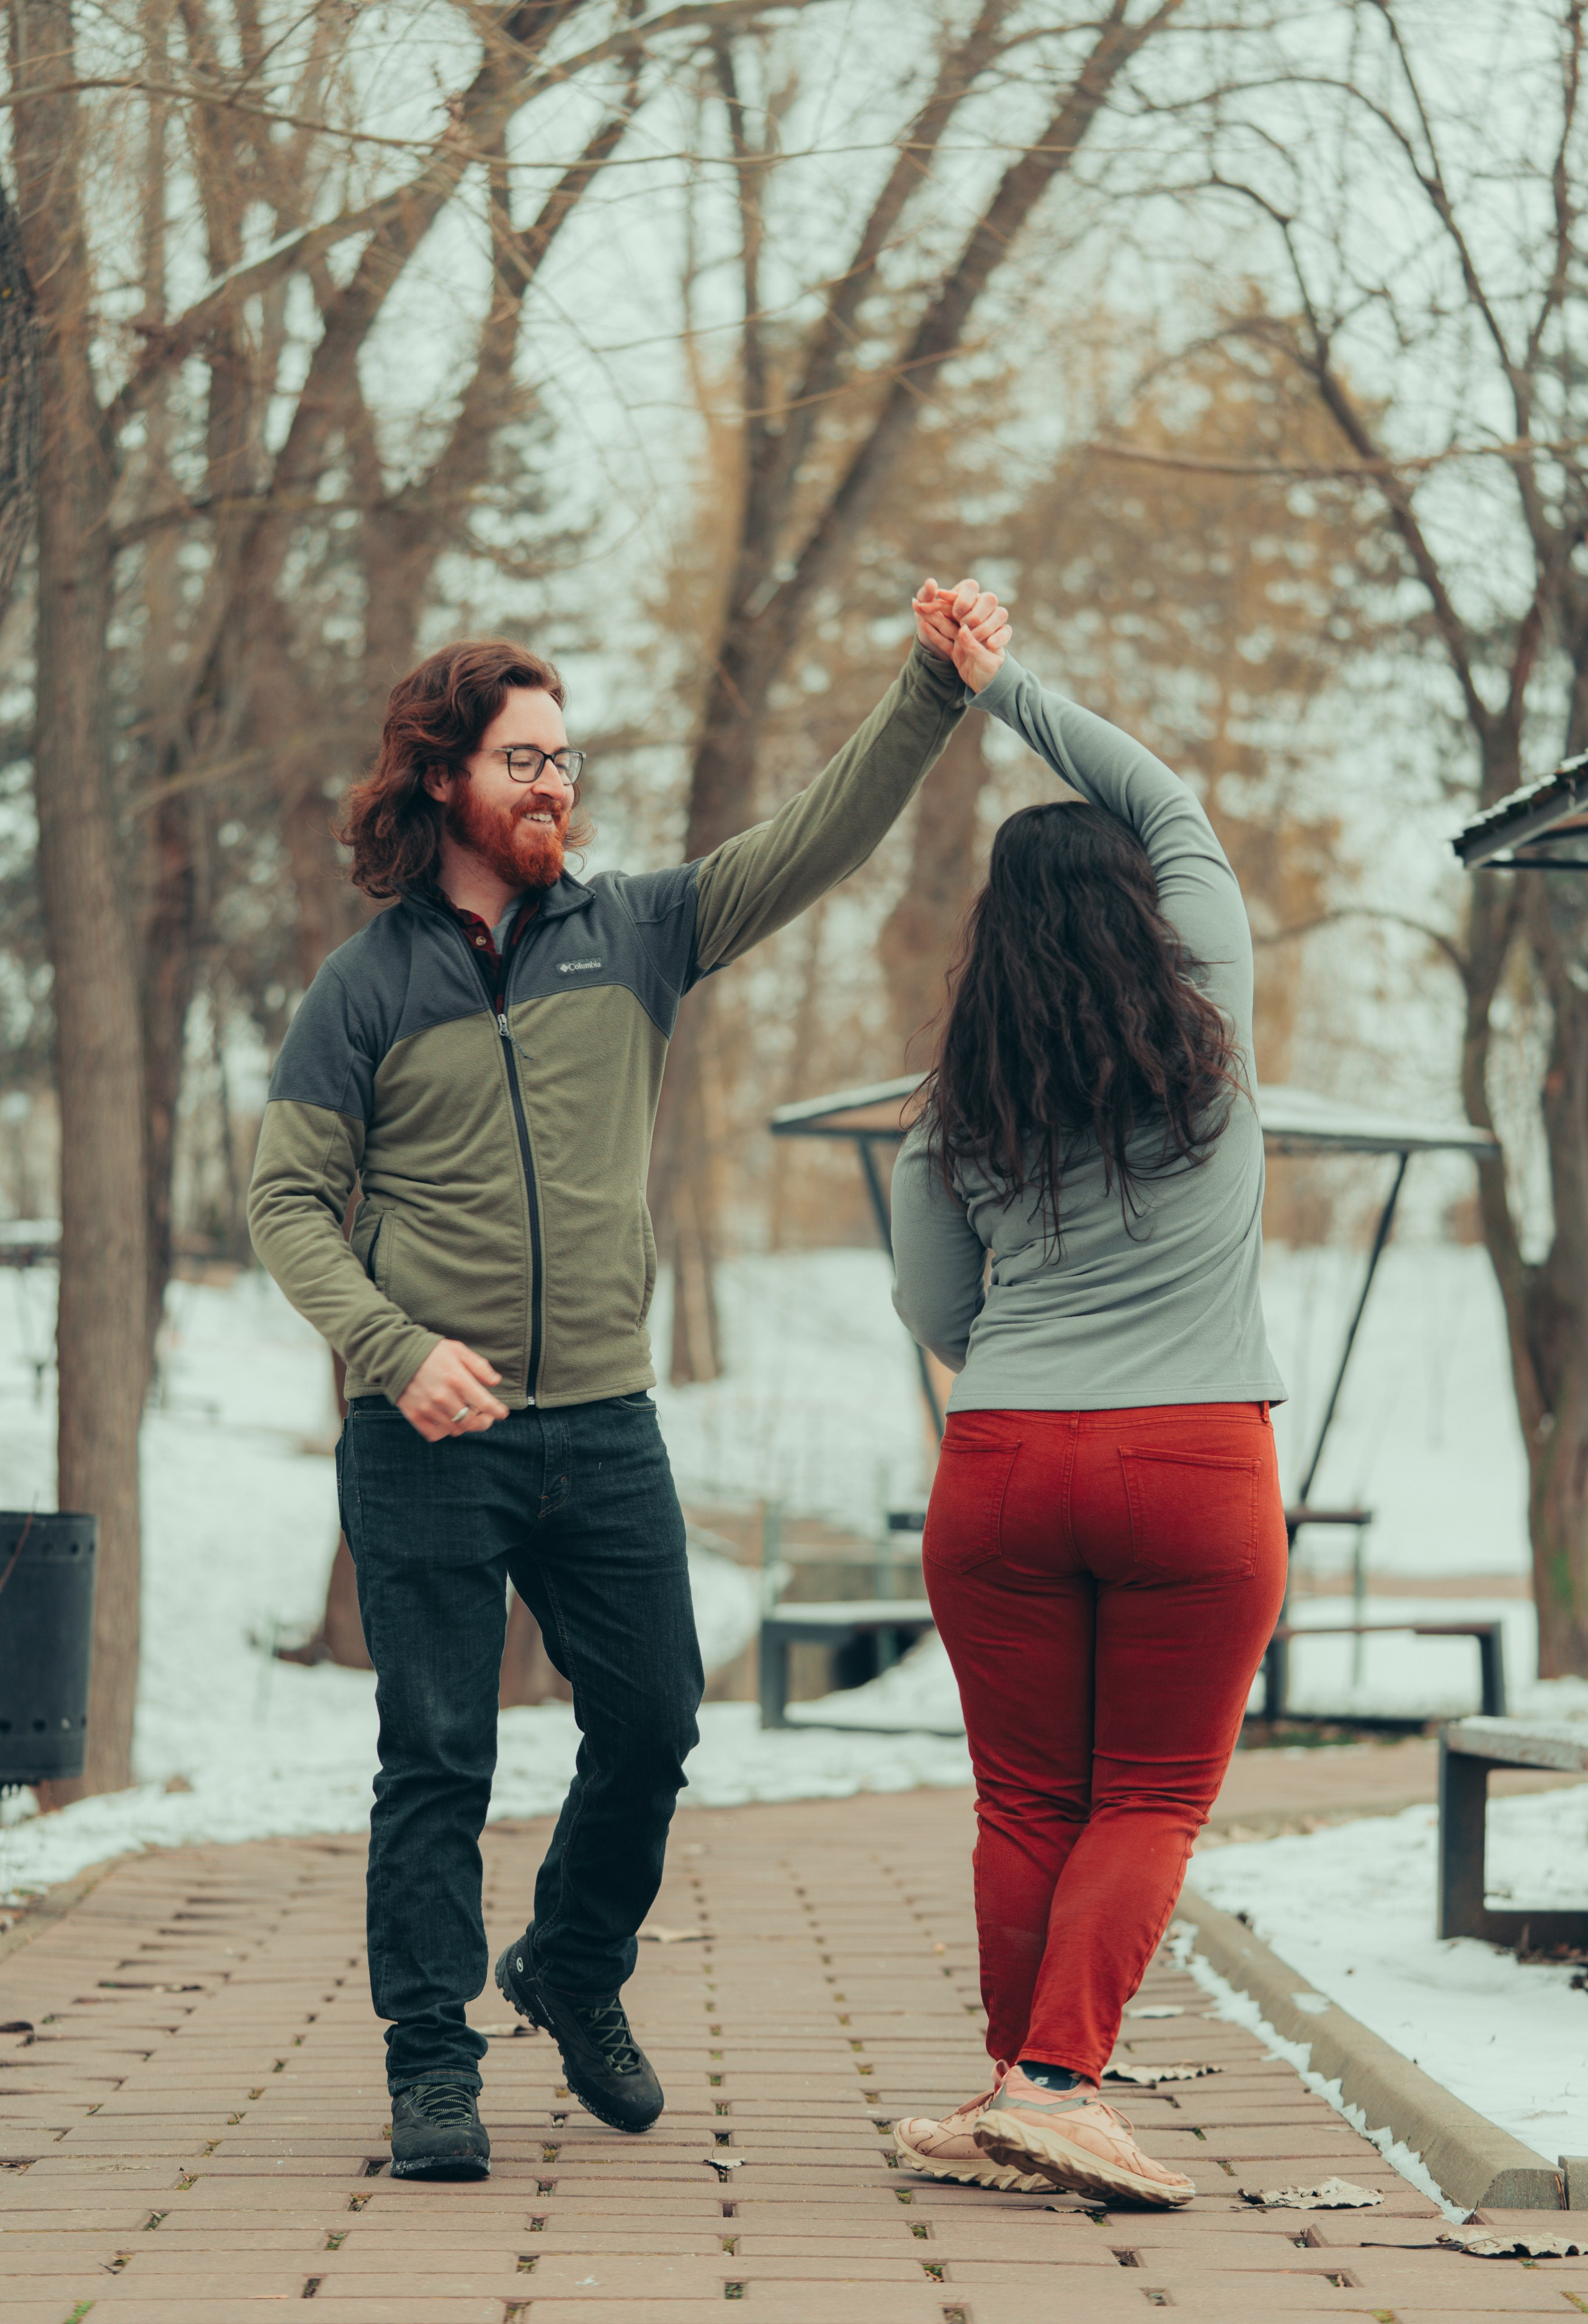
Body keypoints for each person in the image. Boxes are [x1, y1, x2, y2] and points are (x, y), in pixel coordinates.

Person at [247, 581, 1008, 2182]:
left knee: (655, 1720)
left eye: (568, 759)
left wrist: (930, 691)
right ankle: (432, 2063)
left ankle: (573, 1967)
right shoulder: (365, 990)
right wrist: (393, 1352)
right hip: (426, 1439)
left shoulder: (641, 934)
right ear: (442, 776)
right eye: (524, 758)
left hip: (600, 1425)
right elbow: (288, 1208)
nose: (556, 784)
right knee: (439, 1751)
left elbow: (813, 839)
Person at [888, 583, 1288, 2210]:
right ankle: (1056, 2084)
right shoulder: (1215, 1026)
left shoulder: (959, 1097)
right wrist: (1002, 685)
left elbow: (937, 1307)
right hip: (1194, 1461)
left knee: (1027, 1798)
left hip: (999, 1463)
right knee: (1151, 1795)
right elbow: (1167, 796)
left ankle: (1019, 2089)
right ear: (1144, 912)